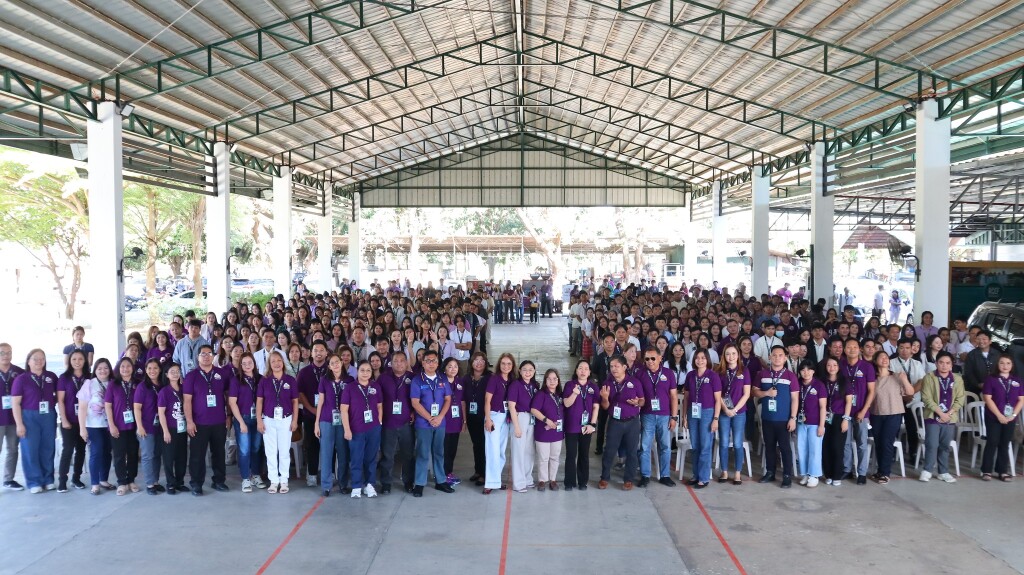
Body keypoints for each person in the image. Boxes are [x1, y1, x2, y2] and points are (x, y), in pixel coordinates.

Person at [183, 344, 229, 496]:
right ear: (198, 357)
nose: (206, 356)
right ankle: (196, 484)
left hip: (219, 421)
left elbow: (228, 396)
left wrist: (228, 415)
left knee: (219, 453)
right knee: (197, 456)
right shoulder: (191, 376)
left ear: (213, 356)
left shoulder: (221, 374)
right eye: (203, 354)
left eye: (209, 353)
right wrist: (189, 421)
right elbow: (187, 400)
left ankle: (219, 481)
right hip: (199, 423)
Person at [11, 348, 58, 493]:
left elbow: (59, 395)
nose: (39, 361)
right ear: (28, 361)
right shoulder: (21, 379)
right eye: (35, 359)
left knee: (48, 448)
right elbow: (15, 403)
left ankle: (48, 479)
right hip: (29, 417)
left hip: (48, 415)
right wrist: (19, 424)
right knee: (30, 449)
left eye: (42, 358)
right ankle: (34, 481)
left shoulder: (51, 376)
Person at [752, 345, 798, 488]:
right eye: (774, 355)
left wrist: (793, 418)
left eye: (780, 355)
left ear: (785, 358)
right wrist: (766, 393)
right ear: (770, 357)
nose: (777, 358)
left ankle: (787, 475)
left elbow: (795, 399)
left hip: (784, 419)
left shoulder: (790, 376)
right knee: (769, 446)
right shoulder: (762, 374)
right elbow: (754, 391)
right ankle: (770, 472)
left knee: (785, 448)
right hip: (767, 418)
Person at [409, 350, 453, 497]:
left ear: (438, 363)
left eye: (434, 360)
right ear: (423, 363)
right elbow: (415, 403)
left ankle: (440, 481)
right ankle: (419, 483)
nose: (431, 363)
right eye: (428, 361)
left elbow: (448, 399)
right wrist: (429, 418)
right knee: (422, 453)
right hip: (423, 423)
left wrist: (440, 417)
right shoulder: (417, 380)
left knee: (439, 452)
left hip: (440, 422)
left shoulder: (443, 379)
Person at [868, 351, 914, 484]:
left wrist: (904, 380)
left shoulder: (897, 376)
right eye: (881, 357)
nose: (884, 359)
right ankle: (880, 471)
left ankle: (885, 473)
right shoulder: (873, 379)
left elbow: (910, 392)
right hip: (876, 414)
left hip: (894, 413)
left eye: (886, 357)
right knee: (879, 443)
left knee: (887, 442)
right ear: (875, 361)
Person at [256, 352, 299, 494]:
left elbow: (295, 402)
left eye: (279, 360)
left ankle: (284, 480)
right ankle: (274, 481)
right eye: (273, 361)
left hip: (286, 419)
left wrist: (295, 420)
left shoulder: (290, 380)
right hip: (268, 420)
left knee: (284, 451)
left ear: (283, 362)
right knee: (271, 452)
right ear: (269, 364)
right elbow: (259, 401)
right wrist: (259, 421)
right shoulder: (264, 381)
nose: (276, 363)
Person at [598, 355, 643, 490]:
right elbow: (605, 407)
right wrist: (605, 398)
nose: (614, 369)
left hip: (632, 422)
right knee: (609, 450)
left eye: (616, 366)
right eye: (611, 366)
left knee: (632, 452)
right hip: (615, 422)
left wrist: (638, 402)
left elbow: (642, 400)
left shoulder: (634, 382)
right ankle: (604, 477)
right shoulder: (607, 383)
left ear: (624, 367)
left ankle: (628, 479)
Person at [919, 352, 964, 483]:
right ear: (936, 363)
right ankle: (927, 470)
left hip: (950, 418)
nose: (944, 365)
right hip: (933, 417)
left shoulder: (957, 379)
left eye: (947, 363)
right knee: (932, 444)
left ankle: (943, 472)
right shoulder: (929, 377)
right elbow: (926, 398)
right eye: (941, 362)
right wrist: (941, 413)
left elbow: (960, 399)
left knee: (945, 445)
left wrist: (948, 414)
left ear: (951, 365)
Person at [340, 360, 383, 498]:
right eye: (362, 370)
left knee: (371, 458)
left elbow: (380, 406)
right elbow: (344, 410)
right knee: (356, 458)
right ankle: (356, 485)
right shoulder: (350, 388)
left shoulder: (375, 386)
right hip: (356, 429)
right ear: (357, 372)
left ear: (371, 372)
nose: (365, 373)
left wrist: (379, 422)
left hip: (373, 428)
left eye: (368, 370)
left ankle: (369, 485)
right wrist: (347, 429)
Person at [638, 347, 678, 487]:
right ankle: (645, 475)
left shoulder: (669, 373)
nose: (650, 361)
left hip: (664, 416)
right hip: (647, 415)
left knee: (665, 446)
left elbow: (674, 396)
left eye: (653, 358)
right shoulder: (640, 374)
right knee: (644, 446)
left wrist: (674, 417)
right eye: (647, 359)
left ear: (660, 358)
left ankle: (665, 475)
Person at [681, 349, 721, 488]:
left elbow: (718, 400)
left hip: (707, 413)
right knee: (695, 446)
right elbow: (686, 397)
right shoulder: (690, 375)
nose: (700, 360)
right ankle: (696, 475)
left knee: (705, 446)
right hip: (693, 412)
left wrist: (715, 419)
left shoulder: (713, 376)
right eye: (697, 358)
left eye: (703, 358)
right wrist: (685, 416)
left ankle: (703, 478)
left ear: (707, 359)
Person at [980, 356, 1022, 481]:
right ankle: (986, 471)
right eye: (1002, 363)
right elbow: (987, 398)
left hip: (1010, 418)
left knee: (1005, 443)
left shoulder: (1017, 380)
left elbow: (1021, 400)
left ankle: (1002, 471)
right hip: (993, 416)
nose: (1005, 366)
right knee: (992, 442)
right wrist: (999, 415)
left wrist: (1013, 415)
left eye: (1008, 363)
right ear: (997, 365)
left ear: (1012, 365)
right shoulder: (991, 379)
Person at [316, 354, 353, 496]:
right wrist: (316, 423)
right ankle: (326, 486)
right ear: (329, 366)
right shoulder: (324, 380)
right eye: (332, 363)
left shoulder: (349, 380)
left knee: (343, 453)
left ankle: (343, 484)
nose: (335, 365)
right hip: (326, 420)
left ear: (342, 363)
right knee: (326, 453)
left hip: (343, 421)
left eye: (337, 362)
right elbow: (320, 402)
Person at [840, 338, 876, 485]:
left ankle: (861, 473)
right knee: (846, 442)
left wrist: (864, 410)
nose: (852, 350)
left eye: (855, 347)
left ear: (859, 349)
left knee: (862, 443)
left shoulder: (867, 367)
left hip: (862, 411)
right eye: (849, 347)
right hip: (845, 411)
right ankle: (847, 469)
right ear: (844, 349)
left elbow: (871, 391)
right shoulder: (841, 365)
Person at [228, 353, 263, 493]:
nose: (247, 365)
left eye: (250, 362)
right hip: (242, 418)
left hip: (258, 418)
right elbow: (232, 402)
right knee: (244, 449)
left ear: (254, 363)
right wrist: (241, 422)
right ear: (240, 365)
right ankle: (245, 478)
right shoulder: (236, 380)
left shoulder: (260, 379)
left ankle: (256, 475)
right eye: (244, 363)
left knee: (256, 447)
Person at [377, 351, 412, 494]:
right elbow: (377, 400)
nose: (399, 363)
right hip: (388, 423)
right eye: (396, 361)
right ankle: (386, 483)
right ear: (391, 363)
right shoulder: (383, 378)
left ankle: (408, 482)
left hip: (406, 423)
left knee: (408, 455)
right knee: (387, 456)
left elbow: (418, 399)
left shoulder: (412, 378)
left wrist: (414, 413)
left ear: (406, 362)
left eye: (402, 360)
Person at [104, 357, 140, 496]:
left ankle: (131, 480)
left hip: (134, 426)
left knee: (133, 454)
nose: (125, 369)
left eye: (128, 366)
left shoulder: (138, 383)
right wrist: (111, 425)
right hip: (117, 426)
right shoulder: (113, 384)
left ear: (132, 368)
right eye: (122, 366)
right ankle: (121, 482)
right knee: (119, 455)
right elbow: (108, 406)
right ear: (119, 369)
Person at [716, 344, 751, 485]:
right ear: (724, 356)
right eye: (728, 354)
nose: (731, 357)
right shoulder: (720, 371)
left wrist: (735, 410)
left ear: (738, 355)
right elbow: (718, 394)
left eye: (733, 353)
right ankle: (724, 471)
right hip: (724, 412)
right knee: (724, 442)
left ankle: (737, 473)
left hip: (739, 412)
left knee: (737, 443)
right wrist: (726, 409)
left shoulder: (744, 371)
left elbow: (746, 394)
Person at [56, 350, 89, 492]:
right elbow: (60, 401)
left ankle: (76, 478)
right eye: (74, 359)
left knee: (81, 450)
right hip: (68, 420)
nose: (77, 362)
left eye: (80, 359)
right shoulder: (64, 378)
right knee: (68, 450)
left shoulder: (89, 377)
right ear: (69, 361)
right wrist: (64, 419)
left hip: (84, 421)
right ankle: (62, 481)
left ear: (85, 361)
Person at [297, 342, 329, 489]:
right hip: (310, 414)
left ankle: (330, 473)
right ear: (311, 353)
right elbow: (300, 393)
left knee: (329, 445)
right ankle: (312, 474)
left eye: (322, 350)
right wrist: (311, 409)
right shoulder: (304, 372)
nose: (318, 353)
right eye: (316, 350)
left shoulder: (331, 370)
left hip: (328, 415)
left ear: (326, 353)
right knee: (312, 445)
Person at [562, 360, 598, 491]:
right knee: (571, 455)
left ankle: (583, 482)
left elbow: (596, 407)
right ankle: (569, 482)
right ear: (576, 370)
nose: (583, 371)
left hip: (586, 427)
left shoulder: (593, 387)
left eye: (586, 369)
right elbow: (566, 404)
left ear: (589, 372)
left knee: (584, 455)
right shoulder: (569, 385)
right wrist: (574, 393)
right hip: (571, 426)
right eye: (580, 368)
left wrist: (592, 424)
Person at [483, 353, 516, 494]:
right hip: (494, 416)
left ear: (512, 366)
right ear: (499, 364)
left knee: (501, 451)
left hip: (506, 417)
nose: (506, 366)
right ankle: (489, 483)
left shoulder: (512, 380)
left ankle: (496, 481)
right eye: (503, 363)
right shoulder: (494, 379)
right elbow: (487, 400)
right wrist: (488, 419)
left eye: (509, 364)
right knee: (492, 450)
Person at [134, 359, 165, 495]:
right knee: (148, 455)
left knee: (157, 455)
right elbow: (137, 408)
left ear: (160, 370)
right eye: (149, 368)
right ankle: (149, 483)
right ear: (146, 370)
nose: (152, 371)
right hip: (146, 427)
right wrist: (139, 426)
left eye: (155, 368)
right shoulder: (142, 387)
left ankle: (156, 481)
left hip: (160, 427)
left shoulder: (163, 385)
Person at [819, 357, 852, 486]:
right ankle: (828, 474)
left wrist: (846, 419)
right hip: (824, 417)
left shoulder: (845, 382)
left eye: (834, 365)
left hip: (839, 417)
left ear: (838, 367)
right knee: (825, 447)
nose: (832, 368)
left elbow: (849, 402)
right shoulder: (822, 381)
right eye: (829, 365)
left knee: (837, 447)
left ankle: (837, 475)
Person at [530, 368, 565, 491]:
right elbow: (534, 410)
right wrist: (547, 420)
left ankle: (553, 479)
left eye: (554, 379)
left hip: (557, 432)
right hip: (543, 431)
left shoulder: (560, 395)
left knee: (555, 457)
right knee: (543, 458)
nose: (552, 381)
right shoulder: (541, 394)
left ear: (558, 381)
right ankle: (542, 480)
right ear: (545, 381)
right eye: (549, 379)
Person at [794, 360, 826, 487]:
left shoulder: (819, 385)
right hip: (801, 422)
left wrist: (821, 425)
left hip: (815, 423)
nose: (806, 372)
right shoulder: (798, 384)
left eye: (809, 369)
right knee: (802, 449)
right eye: (803, 370)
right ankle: (805, 474)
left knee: (815, 450)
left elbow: (823, 407)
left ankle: (814, 475)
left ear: (813, 371)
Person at [157, 363, 188, 494]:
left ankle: (180, 482)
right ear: (166, 374)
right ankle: (170, 483)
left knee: (182, 457)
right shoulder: (164, 392)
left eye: (177, 371)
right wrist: (165, 431)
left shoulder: (184, 389)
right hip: (170, 429)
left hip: (183, 429)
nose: (175, 373)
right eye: (172, 371)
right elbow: (161, 413)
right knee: (169, 457)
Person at [508, 360, 539, 493]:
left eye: (531, 370)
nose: (528, 372)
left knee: (529, 450)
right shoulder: (515, 385)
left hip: (532, 418)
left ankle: (527, 478)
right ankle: (518, 482)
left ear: (534, 372)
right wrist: (516, 426)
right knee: (518, 451)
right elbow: (511, 406)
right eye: (525, 369)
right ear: (520, 371)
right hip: (520, 417)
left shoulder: (535, 385)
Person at [0, 343, 25, 491]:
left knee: (13, 449)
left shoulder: (19, 372)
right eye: (2, 353)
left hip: (14, 418)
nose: (6, 355)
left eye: (8, 352)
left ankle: (8, 479)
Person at [463, 352, 490, 486]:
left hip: (485, 416)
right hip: (471, 416)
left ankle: (485, 474)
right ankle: (478, 470)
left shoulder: (490, 378)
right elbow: (462, 399)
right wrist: (464, 420)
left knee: (485, 444)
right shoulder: (466, 378)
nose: (479, 363)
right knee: (476, 444)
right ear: (471, 362)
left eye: (482, 360)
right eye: (476, 360)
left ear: (486, 363)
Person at [440, 357, 465, 485]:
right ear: (444, 368)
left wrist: (464, 421)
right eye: (450, 366)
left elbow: (462, 402)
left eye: (455, 366)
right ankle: (442, 475)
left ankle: (449, 472)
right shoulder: (440, 382)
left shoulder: (459, 382)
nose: (453, 369)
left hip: (456, 420)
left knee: (452, 449)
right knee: (443, 449)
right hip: (444, 420)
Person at [963, 329, 1000, 394]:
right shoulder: (971, 355)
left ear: (990, 341)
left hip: (995, 387)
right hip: (976, 389)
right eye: (978, 339)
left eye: (984, 339)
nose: (981, 341)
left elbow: (1001, 370)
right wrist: (978, 384)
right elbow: (968, 372)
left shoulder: (997, 354)